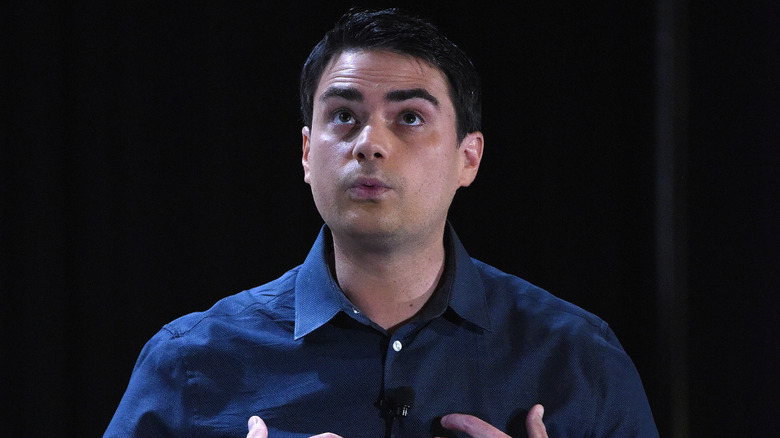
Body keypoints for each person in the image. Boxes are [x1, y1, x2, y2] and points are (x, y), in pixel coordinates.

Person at [104, 8, 658, 438]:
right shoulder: (191, 362)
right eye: (344, 116)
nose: (370, 143)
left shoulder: (577, 358)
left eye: (410, 117)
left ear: (469, 157)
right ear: (305, 152)